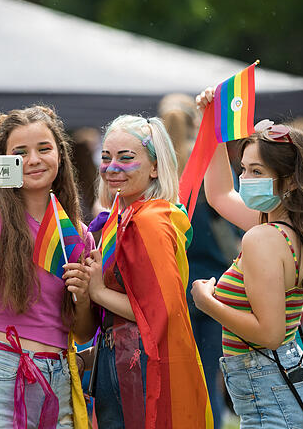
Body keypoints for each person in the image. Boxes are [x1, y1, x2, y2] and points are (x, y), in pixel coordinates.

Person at [0, 105, 96, 428]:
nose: (34, 160)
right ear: (4, 161)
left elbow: (83, 332)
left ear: (60, 155)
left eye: (44, 149)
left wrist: (83, 295)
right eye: (20, 153)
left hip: (59, 382)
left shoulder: (77, 234)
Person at [191, 88, 303, 428]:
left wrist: (207, 303)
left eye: (257, 172)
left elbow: (269, 333)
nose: (245, 180)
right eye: (244, 169)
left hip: (269, 390)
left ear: (290, 182)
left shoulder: (262, 237)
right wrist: (211, 126)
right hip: (278, 384)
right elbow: (220, 195)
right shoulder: (287, 227)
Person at [79, 115, 212, 428]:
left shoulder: (148, 220)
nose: (112, 167)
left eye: (126, 158)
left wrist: (97, 291)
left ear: (155, 167)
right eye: (106, 157)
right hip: (124, 365)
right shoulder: (125, 214)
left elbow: (158, 312)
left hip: (141, 372)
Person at [161, 94, 240, 428]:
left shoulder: (160, 167)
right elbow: (234, 228)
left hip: (170, 284)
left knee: (172, 376)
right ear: (196, 121)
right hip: (214, 282)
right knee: (209, 372)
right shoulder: (210, 162)